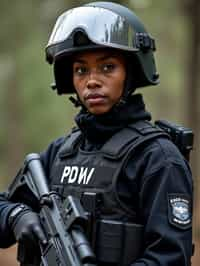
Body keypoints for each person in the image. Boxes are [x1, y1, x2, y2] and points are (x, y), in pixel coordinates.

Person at [0, 2, 193, 266]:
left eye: (107, 67)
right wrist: (16, 216)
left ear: (131, 72)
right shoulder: (59, 152)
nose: (92, 80)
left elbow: (170, 257)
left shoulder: (157, 158)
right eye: (81, 70)